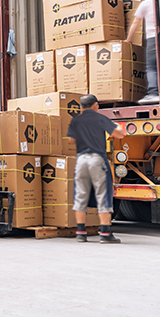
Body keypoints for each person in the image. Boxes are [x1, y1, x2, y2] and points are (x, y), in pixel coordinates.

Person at [67, 94, 125, 243]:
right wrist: (118, 126)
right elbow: (120, 134)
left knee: (80, 195)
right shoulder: (100, 119)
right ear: (96, 105)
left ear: (81, 107)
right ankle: (105, 234)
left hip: (81, 160)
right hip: (97, 159)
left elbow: (71, 140)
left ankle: (80, 232)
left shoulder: (76, 120)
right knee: (103, 195)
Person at [126, 0, 158, 105]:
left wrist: (128, 39)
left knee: (151, 67)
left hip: (152, 38)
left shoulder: (145, 4)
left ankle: (154, 93)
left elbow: (136, 22)